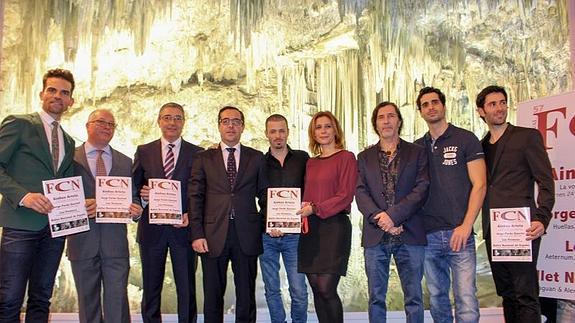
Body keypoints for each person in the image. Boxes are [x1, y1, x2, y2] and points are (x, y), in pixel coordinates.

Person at [0, 68, 76, 322]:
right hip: (21, 224)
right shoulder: (19, 123)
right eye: (52, 90)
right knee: (9, 297)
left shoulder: (68, 140)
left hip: (54, 230)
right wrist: (24, 196)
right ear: (42, 93)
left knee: (42, 297)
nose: (58, 96)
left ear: (71, 101)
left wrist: (80, 203)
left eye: (64, 93)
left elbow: (64, 183)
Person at [476, 85, 555, 323]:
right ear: (481, 111)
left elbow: (545, 180)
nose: (499, 108)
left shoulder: (527, 136)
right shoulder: (480, 147)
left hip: (522, 229)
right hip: (494, 230)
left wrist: (542, 217)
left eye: (502, 102)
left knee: (525, 295)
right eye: (492, 104)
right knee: (507, 294)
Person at [189, 106, 267, 323]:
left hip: (246, 234)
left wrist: (261, 224)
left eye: (235, 121)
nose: (231, 125)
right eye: (226, 121)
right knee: (213, 295)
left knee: (246, 294)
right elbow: (195, 197)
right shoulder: (203, 158)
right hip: (212, 235)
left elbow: (265, 196)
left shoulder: (256, 157)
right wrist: (197, 234)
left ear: (242, 126)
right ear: (219, 125)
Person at [414, 87, 486, 323]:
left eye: (435, 102)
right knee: (437, 299)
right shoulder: (416, 148)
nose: (431, 107)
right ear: (420, 112)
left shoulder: (465, 139)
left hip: (460, 234)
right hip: (428, 236)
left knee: (466, 298)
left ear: (443, 106)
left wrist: (466, 225)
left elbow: (480, 185)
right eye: (425, 104)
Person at [67, 109, 143, 323]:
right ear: (87, 126)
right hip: (81, 241)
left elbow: (134, 196)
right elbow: (59, 195)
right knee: (87, 302)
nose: (107, 127)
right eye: (101, 122)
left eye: (111, 124)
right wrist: (79, 205)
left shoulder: (126, 161)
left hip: (115, 243)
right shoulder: (69, 158)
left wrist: (137, 209)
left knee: (117, 303)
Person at [356, 102, 429, 323]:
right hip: (375, 235)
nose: (386, 121)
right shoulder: (364, 157)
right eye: (381, 117)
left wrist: (394, 216)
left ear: (399, 121)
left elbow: (422, 188)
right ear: (375, 124)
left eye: (391, 116)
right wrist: (382, 219)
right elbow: (360, 192)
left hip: (410, 232)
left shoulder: (417, 153)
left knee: (414, 298)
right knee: (376, 298)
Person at [132, 102, 203, 323]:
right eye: (167, 117)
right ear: (159, 121)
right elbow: (134, 188)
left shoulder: (198, 153)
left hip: (184, 229)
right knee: (151, 288)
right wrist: (141, 197)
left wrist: (191, 215)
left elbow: (202, 191)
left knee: (187, 288)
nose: (172, 122)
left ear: (184, 122)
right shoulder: (144, 151)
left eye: (177, 118)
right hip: (152, 231)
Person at [296, 111, 357, 323]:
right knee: (316, 288)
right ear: (313, 133)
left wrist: (315, 207)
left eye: (327, 126)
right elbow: (306, 196)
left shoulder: (347, 157)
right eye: (318, 127)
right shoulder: (311, 163)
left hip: (335, 226)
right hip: (311, 228)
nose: (323, 131)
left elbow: (345, 195)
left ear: (335, 130)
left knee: (327, 288)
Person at [260, 114, 309, 323]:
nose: (278, 135)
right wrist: (270, 222)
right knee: (272, 289)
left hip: (295, 236)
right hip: (266, 234)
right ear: (266, 134)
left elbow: (311, 189)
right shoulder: (258, 162)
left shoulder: (302, 158)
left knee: (298, 289)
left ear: (288, 132)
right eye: (273, 131)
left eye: (281, 130)